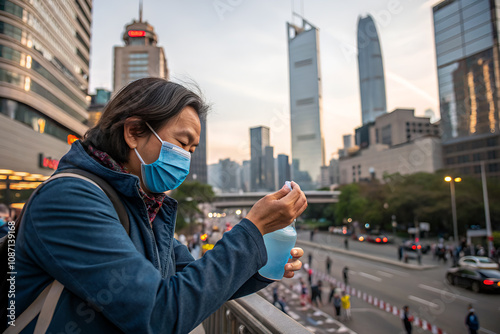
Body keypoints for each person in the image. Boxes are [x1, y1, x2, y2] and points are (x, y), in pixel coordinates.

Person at [12, 78, 308, 333]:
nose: (186, 160)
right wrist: (251, 229)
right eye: (181, 143)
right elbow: (158, 315)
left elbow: (193, 282)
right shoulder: (70, 199)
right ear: (134, 132)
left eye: (192, 150)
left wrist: (265, 260)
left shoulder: (144, 207)